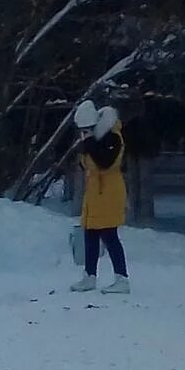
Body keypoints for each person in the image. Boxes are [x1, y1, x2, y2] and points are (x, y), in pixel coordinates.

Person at [71, 100, 129, 294]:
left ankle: (122, 278)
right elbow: (86, 164)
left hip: (109, 192)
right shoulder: (93, 140)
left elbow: (105, 162)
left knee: (109, 234)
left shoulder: (113, 137)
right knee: (90, 233)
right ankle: (90, 275)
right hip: (95, 192)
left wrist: (89, 144)